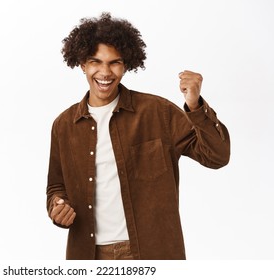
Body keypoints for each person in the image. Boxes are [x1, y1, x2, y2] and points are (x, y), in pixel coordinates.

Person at [46, 12, 230, 260]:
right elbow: (56, 187)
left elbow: (217, 156)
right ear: (82, 64)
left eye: (114, 62)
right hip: (88, 255)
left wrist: (195, 106)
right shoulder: (64, 125)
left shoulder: (158, 113)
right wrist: (57, 207)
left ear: (126, 65)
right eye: (95, 61)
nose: (105, 72)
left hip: (150, 253)